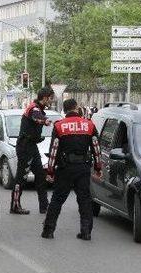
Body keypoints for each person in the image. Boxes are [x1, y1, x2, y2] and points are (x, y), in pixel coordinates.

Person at [42, 98, 102, 241]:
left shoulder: (59, 126)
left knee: (57, 199)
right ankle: (86, 231)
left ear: (65, 110)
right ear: (76, 108)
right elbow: (96, 149)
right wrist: (98, 168)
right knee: (84, 200)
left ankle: (48, 230)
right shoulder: (89, 125)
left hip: (65, 168)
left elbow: (54, 150)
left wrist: (50, 172)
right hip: (83, 168)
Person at [10, 86, 54, 215]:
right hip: (25, 146)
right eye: (50, 98)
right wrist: (45, 121)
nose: (51, 101)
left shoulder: (38, 108)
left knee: (40, 176)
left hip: (32, 146)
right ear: (45, 98)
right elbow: (36, 117)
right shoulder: (33, 108)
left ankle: (44, 206)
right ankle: (15, 206)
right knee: (21, 178)